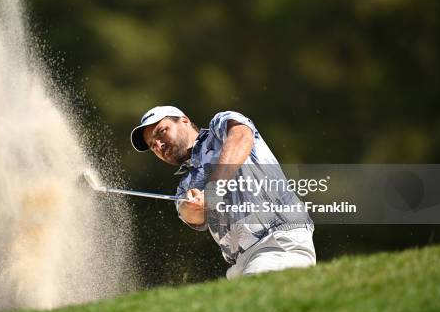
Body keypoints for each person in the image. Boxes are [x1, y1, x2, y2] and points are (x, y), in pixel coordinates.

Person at [130, 106, 316, 278]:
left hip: (277, 242)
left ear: (184, 120)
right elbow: (192, 215)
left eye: (162, 132)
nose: (159, 145)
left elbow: (241, 137)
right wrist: (193, 206)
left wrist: (212, 191)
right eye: (153, 145)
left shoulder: (219, 128)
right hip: (241, 263)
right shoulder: (186, 186)